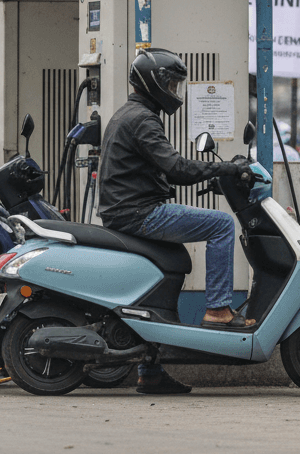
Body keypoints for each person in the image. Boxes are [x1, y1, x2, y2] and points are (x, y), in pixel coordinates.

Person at [97, 48, 251, 395]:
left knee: (166, 279)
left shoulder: (131, 114)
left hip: (125, 210)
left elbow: (152, 169)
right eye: (170, 83)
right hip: (138, 213)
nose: (174, 90)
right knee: (221, 225)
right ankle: (218, 310)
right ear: (153, 82)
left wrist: (211, 175)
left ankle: (149, 372)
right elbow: (177, 168)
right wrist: (228, 168)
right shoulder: (142, 119)